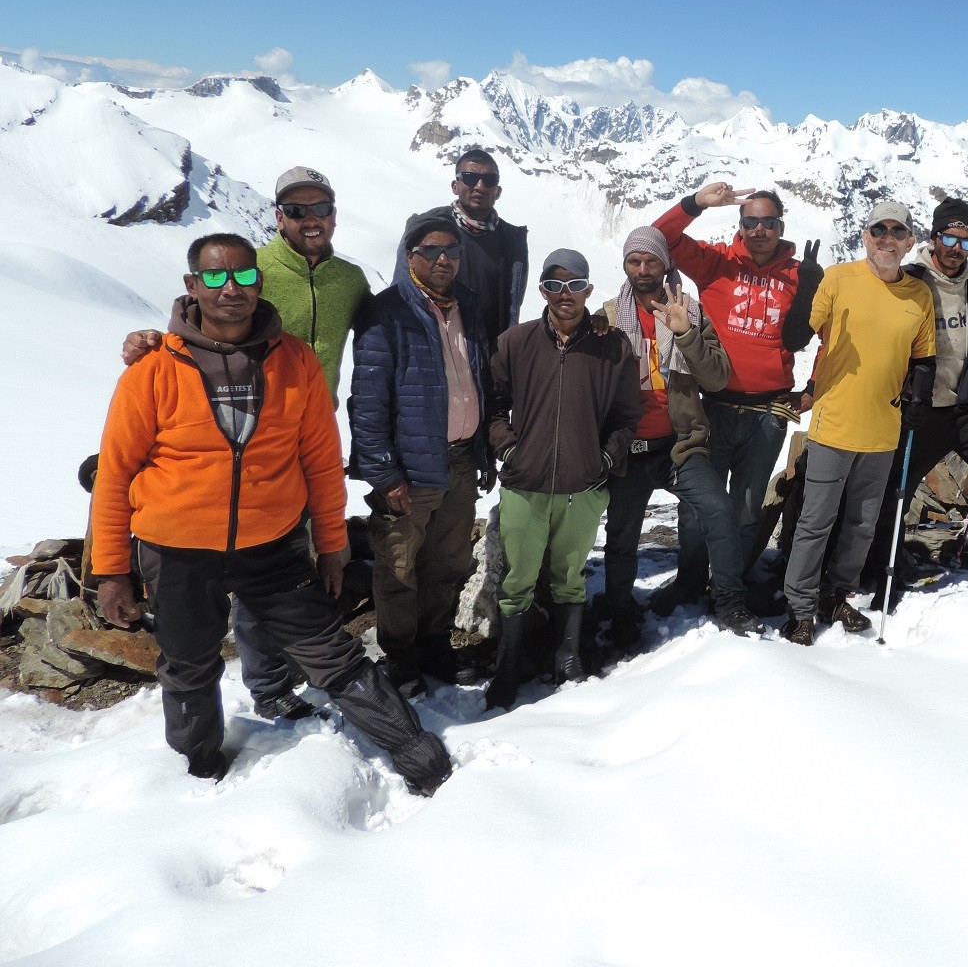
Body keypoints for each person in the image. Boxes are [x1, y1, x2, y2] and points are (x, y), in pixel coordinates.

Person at [90, 234, 451, 793]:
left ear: (260, 282)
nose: (229, 288)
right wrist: (110, 570)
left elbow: (321, 462)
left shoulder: (295, 361)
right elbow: (115, 475)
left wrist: (332, 545)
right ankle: (197, 770)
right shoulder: (152, 370)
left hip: (273, 547)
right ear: (192, 286)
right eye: (214, 278)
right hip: (178, 552)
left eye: (242, 276)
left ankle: (419, 756)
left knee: (334, 654)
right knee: (188, 665)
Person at [118, 166, 371, 722]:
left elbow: (378, 341)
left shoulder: (351, 279)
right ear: (278, 215)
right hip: (227, 438)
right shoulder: (251, 267)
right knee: (257, 571)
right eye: (297, 210)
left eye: (320, 209)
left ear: (334, 214)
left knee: (278, 573)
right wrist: (150, 341)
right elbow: (206, 315)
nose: (311, 220)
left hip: (304, 436)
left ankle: (273, 677)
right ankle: (266, 684)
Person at [651, 183, 821, 612]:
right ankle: (691, 579)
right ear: (740, 226)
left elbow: (835, 334)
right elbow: (657, 240)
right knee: (696, 505)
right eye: (751, 221)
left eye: (768, 221)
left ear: (781, 225)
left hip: (770, 410)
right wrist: (695, 204)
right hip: (712, 407)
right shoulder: (715, 263)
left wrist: (813, 389)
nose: (760, 229)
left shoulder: (801, 276)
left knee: (746, 508)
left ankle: (733, 583)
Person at [485, 250, 641, 707]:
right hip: (525, 482)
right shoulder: (516, 342)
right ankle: (508, 664)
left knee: (570, 575)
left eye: (574, 285)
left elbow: (628, 413)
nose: (564, 294)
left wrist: (607, 459)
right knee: (518, 580)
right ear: (542, 292)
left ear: (589, 291)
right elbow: (493, 403)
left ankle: (568, 655)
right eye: (554, 285)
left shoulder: (612, 347)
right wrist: (507, 447)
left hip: (583, 485)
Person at [780, 202, 936, 645]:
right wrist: (805, 289)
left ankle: (834, 593)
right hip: (835, 421)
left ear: (909, 242)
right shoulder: (838, 279)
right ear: (864, 236)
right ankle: (800, 607)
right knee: (816, 521)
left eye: (897, 231)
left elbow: (924, 357)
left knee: (862, 524)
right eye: (878, 229)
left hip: (884, 429)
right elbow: (795, 337)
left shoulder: (919, 295)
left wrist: (919, 398)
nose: (887, 238)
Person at [350, 215, 492, 696]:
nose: (444, 259)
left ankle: (434, 643)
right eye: (431, 251)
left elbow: (482, 383)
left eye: (452, 251)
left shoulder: (469, 307)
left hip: (460, 459)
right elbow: (367, 404)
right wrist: (384, 474)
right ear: (409, 256)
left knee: (448, 561)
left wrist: (483, 452)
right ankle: (401, 655)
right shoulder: (386, 312)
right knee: (398, 565)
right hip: (408, 469)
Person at [600, 227, 764, 643]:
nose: (643, 270)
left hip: (679, 445)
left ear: (665, 264)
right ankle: (620, 609)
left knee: (719, 512)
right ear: (624, 265)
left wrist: (686, 333)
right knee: (621, 536)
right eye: (634, 261)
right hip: (629, 451)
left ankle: (729, 600)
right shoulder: (606, 317)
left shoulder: (690, 310)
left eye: (651, 261)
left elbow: (717, 376)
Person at [864, 197, 968, 594]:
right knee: (894, 489)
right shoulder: (909, 280)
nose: (957, 249)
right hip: (920, 411)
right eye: (949, 238)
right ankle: (884, 561)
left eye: (966, 241)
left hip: (964, 409)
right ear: (934, 236)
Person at [405, 148, 529, 350]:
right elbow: (403, 289)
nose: (480, 186)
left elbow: (512, 306)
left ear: (497, 191)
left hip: (490, 357)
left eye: (489, 180)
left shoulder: (512, 240)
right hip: (433, 351)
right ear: (455, 186)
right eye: (470, 178)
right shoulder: (425, 229)